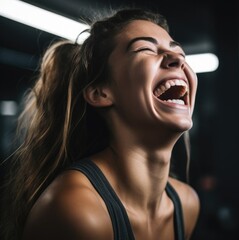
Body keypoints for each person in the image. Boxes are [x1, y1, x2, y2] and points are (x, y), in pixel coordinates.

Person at [0, 7, 199, 240]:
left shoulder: (187, 205)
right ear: (100, 93)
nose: (177, 59)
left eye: (180, 54)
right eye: (145, 48)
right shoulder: (77, 210)